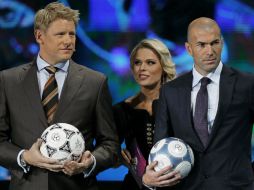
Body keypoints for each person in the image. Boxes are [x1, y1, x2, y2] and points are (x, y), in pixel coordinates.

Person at [0, 2, 119, 190]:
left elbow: (110, 145)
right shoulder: (9, 80)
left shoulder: (95, 82)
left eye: (72, 34)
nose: (69, 41)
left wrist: (90, 162)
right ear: (40, 36)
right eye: (60, 34)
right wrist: (24, 157)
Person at [142, 17, 254, 190]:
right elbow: (160, 146)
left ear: (222, 43)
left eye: (215, 43)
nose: (210, 51)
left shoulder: (247, 84)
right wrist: (149, 179)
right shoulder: (170, 91)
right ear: (189, 49)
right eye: (202, 45)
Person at [113, 39, 176, 189]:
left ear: (164, 66)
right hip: (136, 185)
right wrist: (116, 156)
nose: (142, 68)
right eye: (137, 63)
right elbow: (108, 151)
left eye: (150, 63)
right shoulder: (121, 109)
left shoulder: (181, 105)